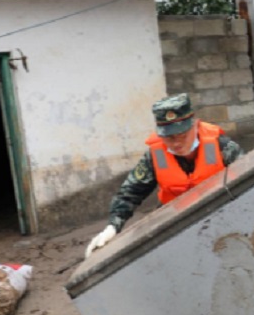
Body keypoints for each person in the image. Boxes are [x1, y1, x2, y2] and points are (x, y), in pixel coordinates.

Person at [85, 93, 244, 258]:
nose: (176, 143)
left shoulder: (222, 147)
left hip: (220, 217)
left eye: (182, 135)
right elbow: (129, 193)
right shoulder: (155, 155)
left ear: (195, 125)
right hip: (175, 223)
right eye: (169, 137)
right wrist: (113, 226)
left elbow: (247, 179)